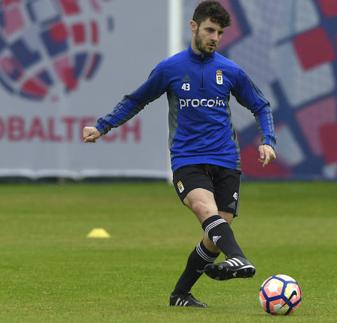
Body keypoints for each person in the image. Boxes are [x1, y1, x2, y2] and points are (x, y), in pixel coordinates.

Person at [82, 0, 277, 308]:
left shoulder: (230, 71)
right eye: (210, 30)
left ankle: (180, 295)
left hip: (227, 160)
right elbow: (136, 100)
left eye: (220, 33)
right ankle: (238, 257)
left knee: (216, 231)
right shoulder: (170, 69)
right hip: (188, 160)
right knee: (204, 209)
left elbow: (260, 105)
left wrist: (268, 140)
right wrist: (103, 126)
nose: (214, 37)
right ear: (194, 26)